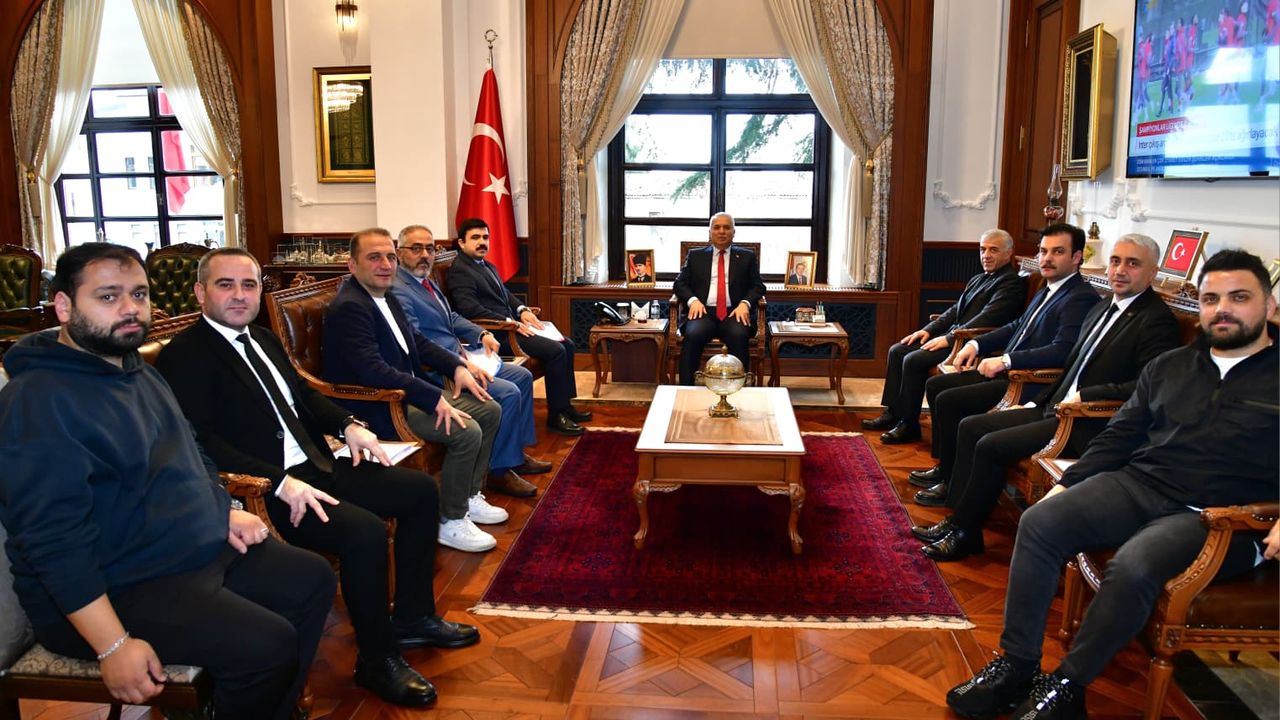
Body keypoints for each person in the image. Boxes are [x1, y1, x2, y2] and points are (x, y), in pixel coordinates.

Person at [0, 243, 334, 720]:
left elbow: (191, 451)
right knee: (267, 645)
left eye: (139, 294)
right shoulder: (38, 402)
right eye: (108, 296)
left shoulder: (136, 372)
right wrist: (113, 645)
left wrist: (223, 511)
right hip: (113, 584)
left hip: (178, 553)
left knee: (311, 579)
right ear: (64, 307)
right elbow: (51, 542)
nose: (130, 308)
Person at [945, 249, 1279, 720]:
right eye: (1211, 299)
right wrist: (1069, 484)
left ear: (1269, 306)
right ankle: (1016, 665)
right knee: (1041, 521)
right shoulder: (1171, 366)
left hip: (1217, 515)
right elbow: (1121, 434)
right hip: (1142, 483)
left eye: (1238, 297)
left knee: (1135, 564)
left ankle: (1068, 685)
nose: (1222, 309)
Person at [156, 247, 479, 708]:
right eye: (225, 285)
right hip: (265, 491)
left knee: (420, 491)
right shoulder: (185, 356)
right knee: (365, 533)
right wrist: (279, 481)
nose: (239, 295)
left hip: (315, 464)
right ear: (200, 292)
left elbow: (303, 393)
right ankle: (377, 659)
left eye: (249, 285)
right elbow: (202, 442)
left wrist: (348, 425)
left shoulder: (261, 338)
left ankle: (413, 617)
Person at [912, 234, 1181, 561]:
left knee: (991, 445)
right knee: (971, 426)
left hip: (1086, 422)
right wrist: (1038, 401)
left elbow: (1145, 387)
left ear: (1153, 272)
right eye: (1115, 261)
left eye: (1132, 263)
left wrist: (1086, 395)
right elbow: (1073, 364)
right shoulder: (1102, 306)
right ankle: (958, 521)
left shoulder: (1157, 321)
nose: (1120, 270)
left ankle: (966, 534)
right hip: (1052, 405)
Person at [324, 228, 506, 553]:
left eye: (389, 257)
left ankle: (467, 496)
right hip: (378, 406)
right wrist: (433, 397)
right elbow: (372, 370)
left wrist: (457, 367)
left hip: (408, 393)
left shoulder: (386, 296)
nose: (385, 265)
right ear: (352, 264)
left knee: (490, 410)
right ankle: (451, 520)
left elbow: (417, 342)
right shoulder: (350, 307)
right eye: (374, 257)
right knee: (466, 431)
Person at [911, 223, 1100, 506]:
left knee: (951, 400)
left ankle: (951, 481)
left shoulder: (1080, 296)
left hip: (1030, 383)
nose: (1047, 258)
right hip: (1010, 372)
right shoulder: (1048, 288)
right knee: (938, 386)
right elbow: (1016, 326)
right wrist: (977, 345)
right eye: (1043, 251)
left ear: (1076, 257)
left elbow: (1062, 351)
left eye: (1057, 252)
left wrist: (1006, 360)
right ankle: (947, 469)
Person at [391, 224, 550, 498]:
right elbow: (416, 342)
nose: (425, 255)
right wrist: (458, 363)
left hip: (464, 356)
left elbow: (450, 317)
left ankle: (514, 455)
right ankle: (498, 471)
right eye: (416, 249)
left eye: (429, 249)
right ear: (399, 252)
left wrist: (481, 333)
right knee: (508, 392)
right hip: (439, 371)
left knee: (522, 376)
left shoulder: (425, 281)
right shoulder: (399, 289)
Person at [864, 229, 1025, 443]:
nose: (986, 255)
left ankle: (909, 425)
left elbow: (987, 319)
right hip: (956, 337)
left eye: (993, 250)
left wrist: (949, 338)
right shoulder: (979, 278)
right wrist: (928, 330)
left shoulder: (1011, 283)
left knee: (913, 360)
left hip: (972, 344)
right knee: (897, 350)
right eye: (982, 249)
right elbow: (954, 311)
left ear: (1008, 253)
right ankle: (893, 413)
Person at [447, 217, 593, 436]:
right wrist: (510, 323)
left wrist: (522, 309)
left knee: (567, 344)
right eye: (475, 238)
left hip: (511, 328)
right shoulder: (460, 270)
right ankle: (556, 416)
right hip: (496, 336)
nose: (482, 242)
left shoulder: (486, 265)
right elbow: (470, 309)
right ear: (461, 242)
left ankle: (565, 406)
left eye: (485, 237)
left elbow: (505, 295)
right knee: (555, 351)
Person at [672, 212, 767, 385]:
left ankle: (738, 387)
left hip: (734, 312)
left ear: (733, 232)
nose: (721, 231)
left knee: (739, 334)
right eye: (716, 227)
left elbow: (758, 286)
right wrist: (693, 301)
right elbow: (679, 284)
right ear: (710, 232)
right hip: (703, 312)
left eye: (726, 227)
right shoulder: (696, 256)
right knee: (693, 334)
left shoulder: (747, 257)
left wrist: (745, 304)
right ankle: (686, 387)